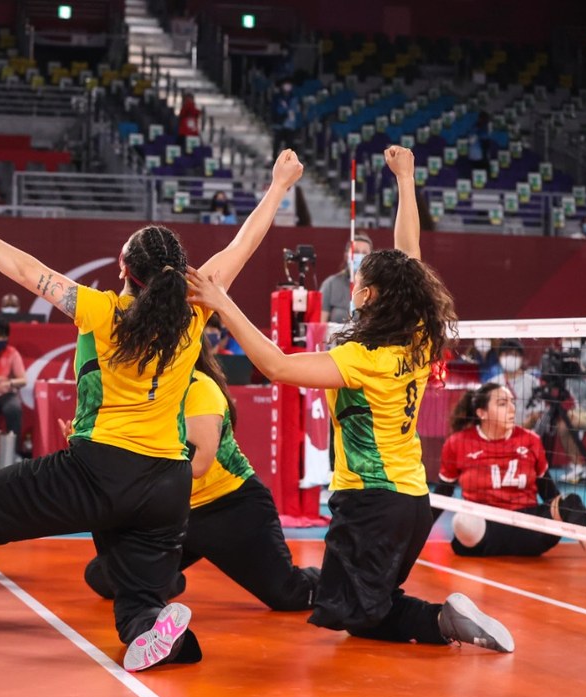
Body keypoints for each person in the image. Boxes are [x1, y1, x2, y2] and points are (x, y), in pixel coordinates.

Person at [0, 149, 307, 674]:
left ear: (124, 271)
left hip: (101, 471)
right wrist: (276, 187)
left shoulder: (105, 312)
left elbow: (27, 270)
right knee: (136, 597)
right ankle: (150, 634)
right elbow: (242, 245)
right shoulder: (195, 309)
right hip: (168, 487)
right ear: (177, 272)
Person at [187, 145, 515, 653]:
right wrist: (407, 180)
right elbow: (410, 258)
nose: (353, 281)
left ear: (366, 296)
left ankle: (442, 620)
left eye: (359, 280)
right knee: (364, 603)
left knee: (352, 614)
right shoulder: (420, 338)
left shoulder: (365, 357)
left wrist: (222, 303)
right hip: (412, 503)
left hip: (371, 504)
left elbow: (275, 365)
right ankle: (441, 620)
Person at [83, 345, 320, 610]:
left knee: (288, 594)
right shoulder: (136, 389)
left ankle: (344, 578)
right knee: (103, 578)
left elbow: (197, 465)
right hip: (171, 510)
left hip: (228, 506)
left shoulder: (200, 388)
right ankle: (162, 580)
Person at [435, 383, 586, 558]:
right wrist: (414, 537)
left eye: (512, 402)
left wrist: (575, 520)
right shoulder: (458, 442)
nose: (511, 409)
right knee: (463, 521)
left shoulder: (530, 440)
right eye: (502, 404)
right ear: (482, 413)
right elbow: (442, 494)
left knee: (570, 501)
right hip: (485, 528)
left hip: (528, 527)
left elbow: (549, 493)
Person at [550, 336, 586, 485]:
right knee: (563, 426)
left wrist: (584, 370)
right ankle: (579, 467)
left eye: (572, 337)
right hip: (581, 408)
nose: (568, 340)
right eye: (565, 337)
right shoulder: (562, 355)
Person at [0, 317, 27, 452]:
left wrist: (9, 382)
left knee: (14, 409)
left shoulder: (12, 353)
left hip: (5, 395)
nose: (0, 339)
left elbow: (23, 380)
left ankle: (14, 453)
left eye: (3, 336)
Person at [318, 233, 373, 324]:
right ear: (347, 255)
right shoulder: (331, 284)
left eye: (364, 253)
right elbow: (320, 323)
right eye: (355, 252)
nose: (359, 256)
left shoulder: (377, 286)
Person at [487, 338, 540, 429]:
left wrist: (516, 433)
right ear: (499, 358)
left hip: (525, 434)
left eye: (513, 354)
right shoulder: (492, 384)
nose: (510, 357)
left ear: (521, 358)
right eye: (506, 354)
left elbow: (536, 414)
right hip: (498, 435)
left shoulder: (532, 382)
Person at [271, 78, 299, 160]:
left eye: (289, 85)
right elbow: (275, 109)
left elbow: (295, 111)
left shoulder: (294, 98)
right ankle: (275, 162)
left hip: (290, 125)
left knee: (289, 146)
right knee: (276, 145)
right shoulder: (277, 97)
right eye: (286, 85)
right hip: (279, 124)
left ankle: (289, 163)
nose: (287, 87)